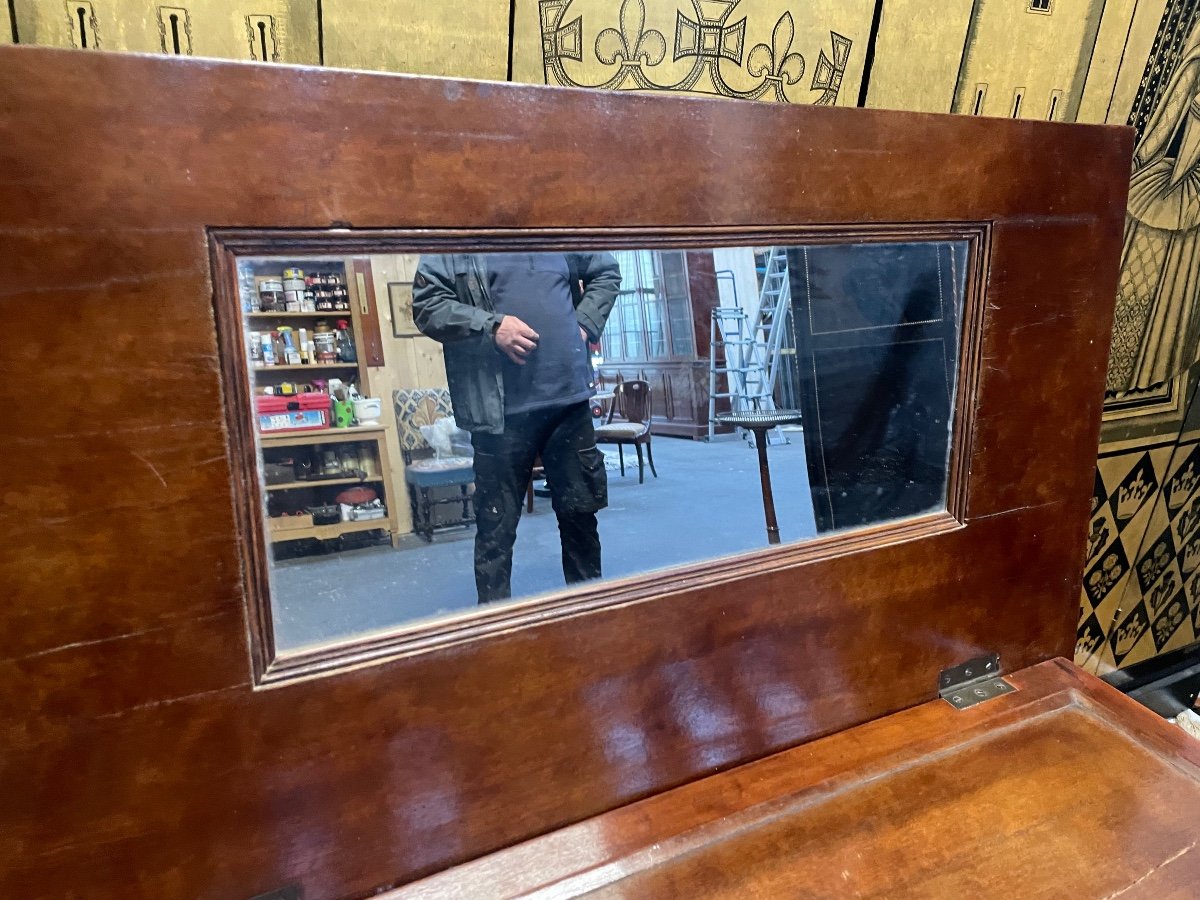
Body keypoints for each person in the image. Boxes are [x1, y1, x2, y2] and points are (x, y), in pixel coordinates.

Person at [412, 252, 622, 603]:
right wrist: (492, 326)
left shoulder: (553, 223)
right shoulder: (455, 233)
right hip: (499, 414)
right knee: (496, 531)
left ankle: (591, 622)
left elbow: (606, 271)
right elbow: (427, 305)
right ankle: (494, 632)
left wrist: (583, 322)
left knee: (581, 522)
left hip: (568, 403)